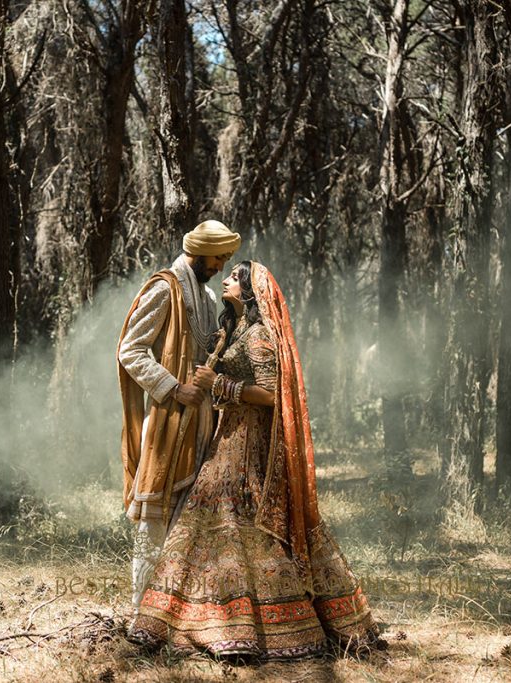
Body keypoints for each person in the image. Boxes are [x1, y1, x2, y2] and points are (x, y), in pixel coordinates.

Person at [127, 261, 379, 660]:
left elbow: (270, 393)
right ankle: (193, 618)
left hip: (248, 441)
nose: (225, 278)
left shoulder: (260, 334)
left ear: (248, 289)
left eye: (234, 276)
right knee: (208, 523)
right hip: (227, 436)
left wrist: (221, 384)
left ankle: (272, 625)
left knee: (243, 523)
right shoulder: (236, 329)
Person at [117, 220, 241, 609]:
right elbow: (130, 350)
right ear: (201, 251)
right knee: (156, 520)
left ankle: (175, 615)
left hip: (203, 423)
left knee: (189, 523)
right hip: (170, 422)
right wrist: (174, 388)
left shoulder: (205, 296)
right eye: (219, 257)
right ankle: (141, 613)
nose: (221, 266)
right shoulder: (164, 287)